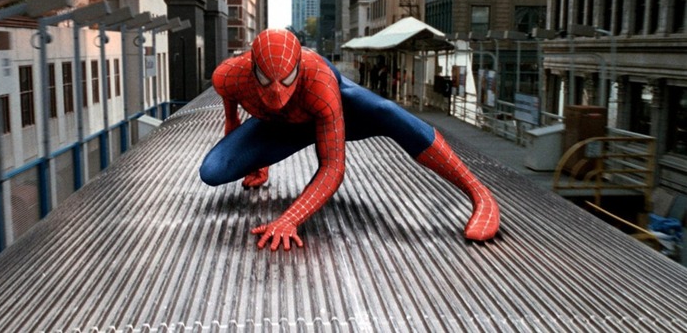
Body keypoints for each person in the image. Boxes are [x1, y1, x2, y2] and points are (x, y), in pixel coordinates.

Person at [200, 28, 500, 251]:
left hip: (345, 113)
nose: (277, 92)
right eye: (266, 80)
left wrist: (290, 218)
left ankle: (480, 194)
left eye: (287, 80)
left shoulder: (319, 82)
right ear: (251, 67)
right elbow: (232, 119)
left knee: (389, 112)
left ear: (298, 69)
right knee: (213, 172)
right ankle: (264, 149)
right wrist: (257, 160)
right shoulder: (228, 77)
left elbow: (333, 167)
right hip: (283, 126)